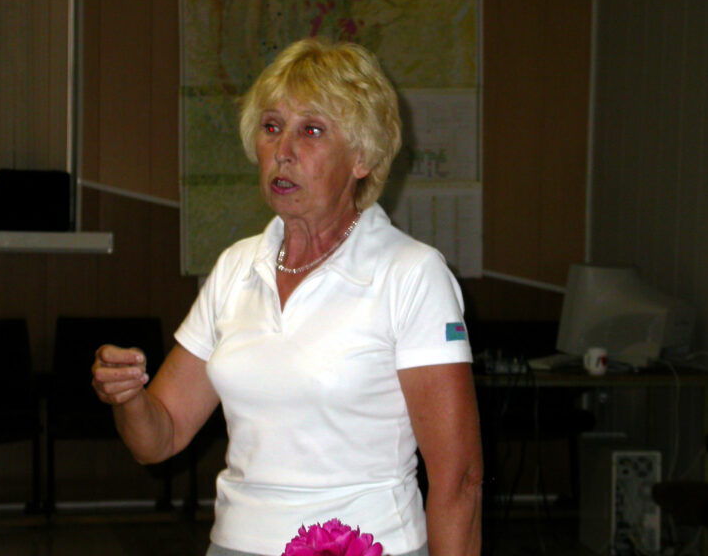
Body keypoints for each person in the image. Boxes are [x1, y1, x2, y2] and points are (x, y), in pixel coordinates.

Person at [92, 37, 483, 556]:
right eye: (272, 127)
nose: (283, 151)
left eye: (311, 131)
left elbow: (460, 479)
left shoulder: (411, 274)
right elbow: (157, 439)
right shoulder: (236, 267)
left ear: (363, 157)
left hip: (365, 547)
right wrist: (128, 398)